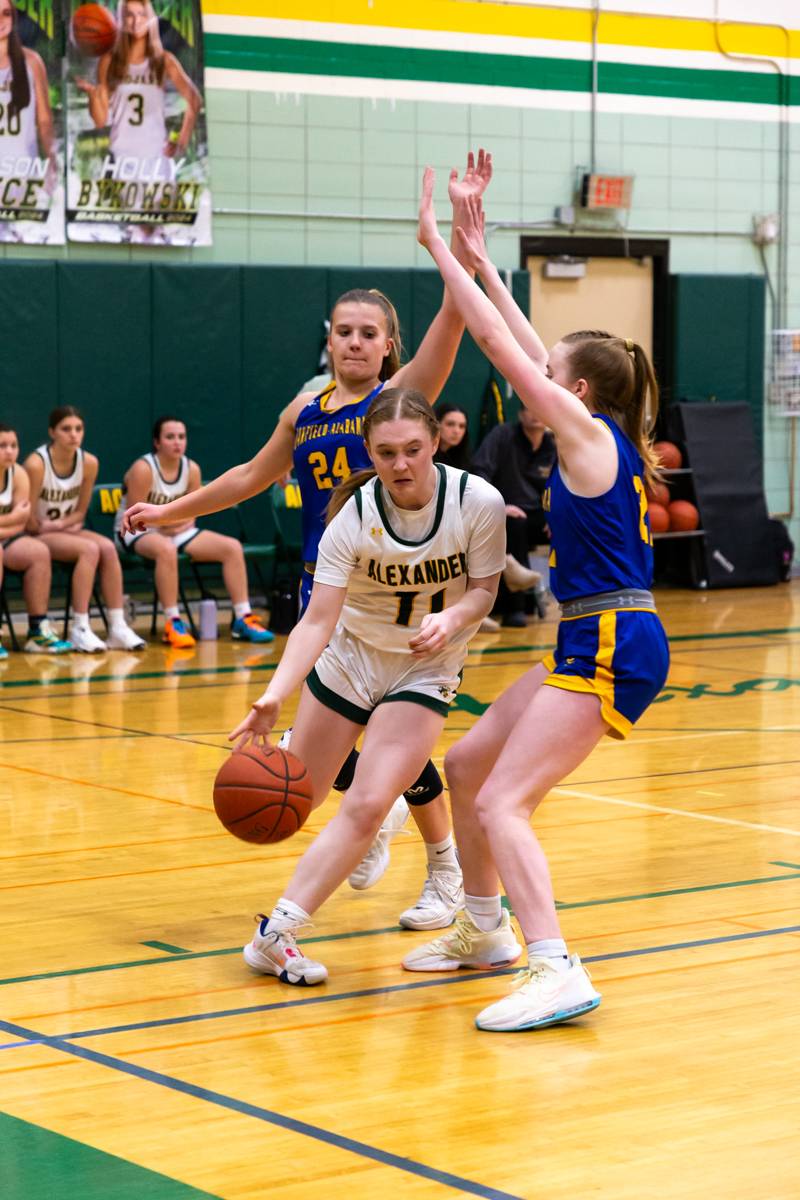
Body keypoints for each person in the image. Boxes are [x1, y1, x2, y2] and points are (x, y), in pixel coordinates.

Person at [123, 151, 493, 929]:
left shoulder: (402, 402)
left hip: (406, 594)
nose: (355, 343)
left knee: (394, 727)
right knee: (361, 730)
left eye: (369, 334)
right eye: (343, 332)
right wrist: (168, 510)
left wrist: (459, 244)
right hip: (330, 590)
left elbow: (455, 321)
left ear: (389, 346)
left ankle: (432, 859)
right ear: (328, 340)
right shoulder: (307, 409)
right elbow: (248, 478)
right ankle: (396, 834)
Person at [407, 170, 670, 1032]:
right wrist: (482, 259)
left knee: (500, 803)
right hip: (591, 634)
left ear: (575, 393)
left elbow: (500, 346)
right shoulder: (600, 431)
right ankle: (486, 934)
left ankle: (554, 965)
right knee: (472, 764)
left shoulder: (585, 435)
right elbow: (523, 339)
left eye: (553, 375)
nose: (538, 375)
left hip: (612, 638)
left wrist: (444, 251)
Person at [227, 389, 506, 985]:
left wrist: (451, 620)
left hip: (425, 667)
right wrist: (275, 694)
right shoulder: (351, 517)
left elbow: (484, 591)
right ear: (369, 453)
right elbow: (318, 620)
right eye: (386, 453)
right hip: (351, 659)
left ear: (435, 442)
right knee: (293, 801)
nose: (401, 464)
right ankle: (379, 843)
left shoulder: (477, 501)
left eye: (412, 449)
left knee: (369, 801)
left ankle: (275, 934)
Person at [115, 416, 274, 649]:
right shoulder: (143, 469)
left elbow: (193, 512)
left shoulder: (192, 469)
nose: (177, 442)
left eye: (181, 437)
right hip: (136, 531)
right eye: (170, 437)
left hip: (177, 528)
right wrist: (169, 523)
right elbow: (136, 516)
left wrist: (171, 523)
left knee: (231, 548)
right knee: (166, 549)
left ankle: (243, 617)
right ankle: (173, 622)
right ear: (157, 443)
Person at [23, 407, 144, 653]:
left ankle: (117, 627)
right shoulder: (36, 464)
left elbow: (80, 513)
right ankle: (79, 627)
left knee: (108, 548)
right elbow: (29, 520)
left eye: (78, 429)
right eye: (66, 429)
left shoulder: (89, 462)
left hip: (62, 528)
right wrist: (57, 528)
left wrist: (59, 526)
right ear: (52, 432)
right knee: (89, 549)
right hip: (35, 533)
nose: (74, 435)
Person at [76, 0, 201, 178]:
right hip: (122, 159)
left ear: (151, 18)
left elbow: (194, 101)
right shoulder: (109, 60)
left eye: (142, 14)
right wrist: (93, 96)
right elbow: (100, 121)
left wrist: (181, 141)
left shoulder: (164, 60)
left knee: (162, 206)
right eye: (130, 15)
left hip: (156, 158)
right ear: (122, 20)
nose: (136, 21)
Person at [471, 407, 556, 626]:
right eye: (528, 408)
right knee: (515, 525)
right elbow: (480, 471)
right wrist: (499, 506)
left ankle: (577, 600)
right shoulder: (502, 435)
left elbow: (563, 485)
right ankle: (515, 608)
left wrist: (555, 514)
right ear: (519, 414)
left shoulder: (554, 445)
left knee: (571, 527)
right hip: (506, 511)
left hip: (540, 514)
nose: (536, 413)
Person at [0, 423, 71, 656]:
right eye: (2, 446)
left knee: (38, 551)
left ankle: (37, 632)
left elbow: (22, 523)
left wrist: (13, 521)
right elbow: (17, 518)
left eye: (13, 445)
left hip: (8, 537)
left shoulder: (18, 474)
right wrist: (12, 516)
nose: (9, 451)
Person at [0, 0, 56, 194]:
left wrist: (51, 160)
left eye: (6, 13)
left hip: (24, 175)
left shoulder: (32, 62)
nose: (1, 20)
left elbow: (44, 120)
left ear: (14, 18)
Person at [434, 403, 470, 469]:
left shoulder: (464, 459)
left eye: (462, 426)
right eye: (450, 424)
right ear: (437, 425)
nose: (456, 431)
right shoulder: (427, 455)